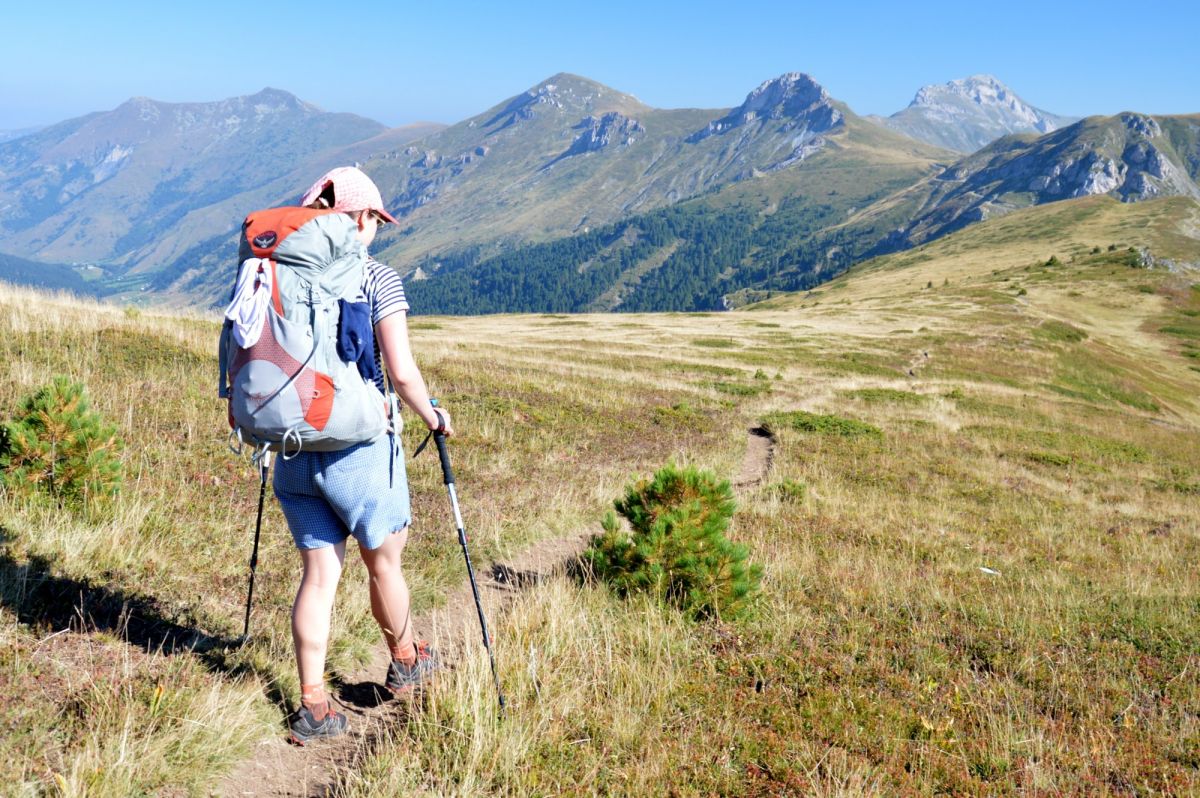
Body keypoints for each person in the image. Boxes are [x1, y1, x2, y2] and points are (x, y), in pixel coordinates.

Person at [273, 166, 453, 745]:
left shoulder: (277, 269)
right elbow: (400, 371)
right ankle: (405, 660)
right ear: (361, 218)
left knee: (319, 576)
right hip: (359, 447)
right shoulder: (377, 277)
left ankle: (313, 707)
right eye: (374, 217)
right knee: (384, 564)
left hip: (293, 447)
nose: (376, 227)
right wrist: (433, 415)